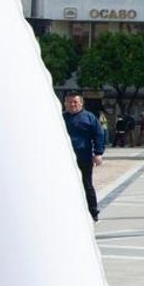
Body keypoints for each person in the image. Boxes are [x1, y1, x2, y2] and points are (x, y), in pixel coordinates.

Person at [62, 93, 107, 221]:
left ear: (81, 103)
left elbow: (99, 135)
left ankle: (93, 212)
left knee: (86, 184)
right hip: (65, 159)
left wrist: (98, 153)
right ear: (65, 103)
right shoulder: (61, 119)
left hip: (84, 157)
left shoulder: (89, 118)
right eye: (69, 102)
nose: (72, 104)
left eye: (75, 102)